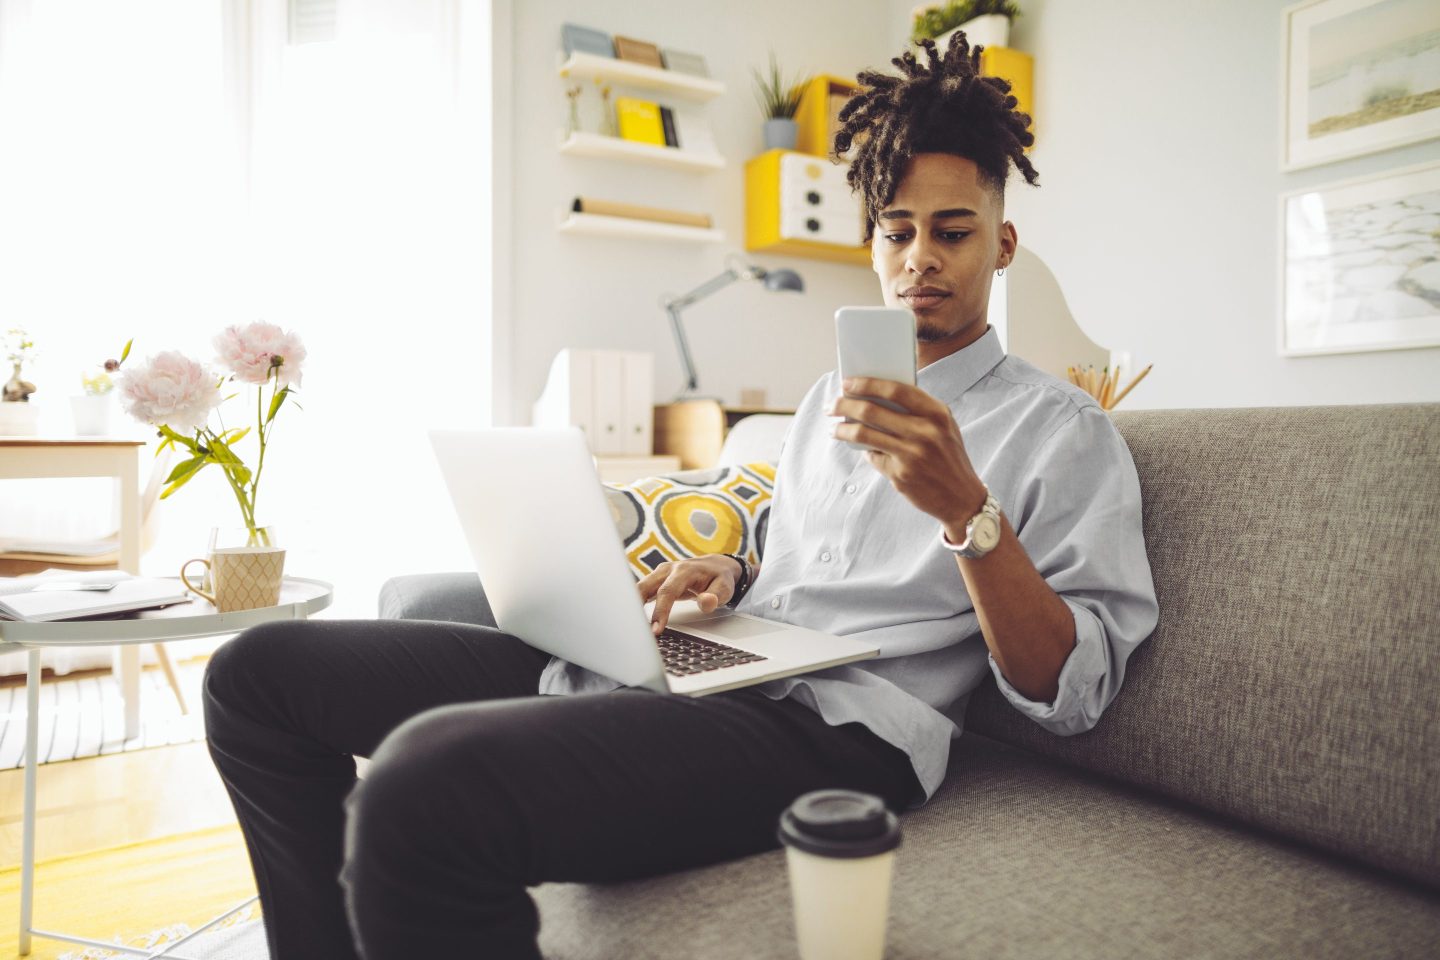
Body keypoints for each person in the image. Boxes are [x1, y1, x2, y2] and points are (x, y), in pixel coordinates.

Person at [203, 33, 1158, 960]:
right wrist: (732, 573)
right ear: (872, 243)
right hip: (721, 666)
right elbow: (801, 564)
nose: (922, 260)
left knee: (423, 784)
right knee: (256, 676)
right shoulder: (830, 396)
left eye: (954, 232)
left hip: (841, 731)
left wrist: (968, 514)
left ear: (1004, 243)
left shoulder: (1064, 431)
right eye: (898, 233)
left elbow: (1071, 696)